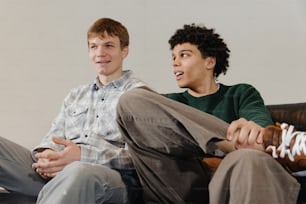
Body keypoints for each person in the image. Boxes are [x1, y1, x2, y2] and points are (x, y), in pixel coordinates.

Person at [116, 23, 304, 203]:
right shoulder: (167, 103)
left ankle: (240, 148)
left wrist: (255, 136)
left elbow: (260, 127)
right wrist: (234, 143)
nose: (175, 63)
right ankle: (230, 143)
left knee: (249, 157)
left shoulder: (240, 93)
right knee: (130, 100)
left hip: (231, 179)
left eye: (184, 55)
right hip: (180, 184)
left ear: (210, 61)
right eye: (173, 57)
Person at [0, 17, 145, 204]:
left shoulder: (139, 96)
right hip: (63, 172)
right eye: (93, 46)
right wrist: (48, 155)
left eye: (108, 45)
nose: (100, 53)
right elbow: (53, 136)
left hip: (111, 179)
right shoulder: (76, 94)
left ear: (124, 50)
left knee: (79, 171)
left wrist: (81, 157)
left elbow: (139, 159)